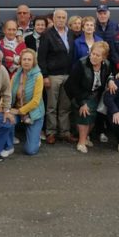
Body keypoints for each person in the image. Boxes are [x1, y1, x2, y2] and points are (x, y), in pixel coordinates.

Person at [65, 41, 113, 153]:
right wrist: (82, 103)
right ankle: (81, 142)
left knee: (92, 119)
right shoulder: (81, 64)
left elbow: (110, 74)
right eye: (93, 54)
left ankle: (86, 138)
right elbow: (71, 85)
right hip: (79, 94)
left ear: (104, 57)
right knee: (85, 115)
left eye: (98, 55)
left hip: (95, 94)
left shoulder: (106, 64)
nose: (94, 57)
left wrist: (111, 81)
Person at [38, 9, 75, 144]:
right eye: (58, 17)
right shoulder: (47, 34)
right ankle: (51, 132)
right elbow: (41, 57)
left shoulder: (70, 33)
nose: (61, 19)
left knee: (65, 106)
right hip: (53, 75)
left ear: (66, 19)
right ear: (53, 19)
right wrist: (45, 76)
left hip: (68, 75)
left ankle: (64, 132)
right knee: (51, 106)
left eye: (63, 17)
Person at [8, 49, 45, 155]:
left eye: (29, 59)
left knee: (30, 150)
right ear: (20, 61)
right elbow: (8, 94)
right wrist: (4, 107)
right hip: (18, 110)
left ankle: (36, 137)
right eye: (24, 59)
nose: (26, 62)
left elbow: (35, 101)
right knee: (6, 119)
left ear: (34, 61)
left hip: (33, 112)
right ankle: (8, 143)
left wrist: (19, 111)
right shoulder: (16, 76)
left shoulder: (38, 76)